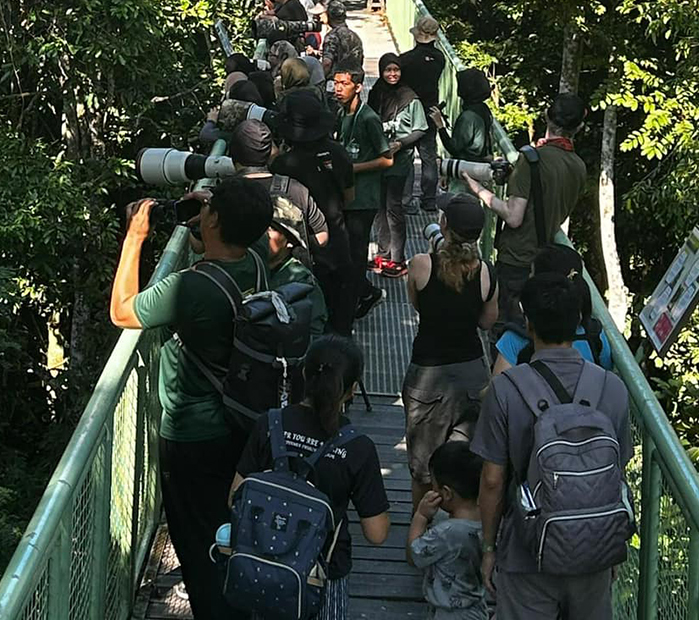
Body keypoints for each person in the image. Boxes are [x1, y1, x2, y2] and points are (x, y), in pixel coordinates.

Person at [109, 178, 274, 620]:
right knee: (230, 529)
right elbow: (231, 242)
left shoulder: (191, 287)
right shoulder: (256, 262)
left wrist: (136, 237)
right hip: (243, 420)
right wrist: (213, 214)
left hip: (193, 433)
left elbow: (122, 310)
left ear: (215, 218)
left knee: (200, 546)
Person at [472, 274, 632, 620]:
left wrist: (488, 548)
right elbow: (617, 473)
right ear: (577, 321)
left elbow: (492, 481)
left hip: (527, 550)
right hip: (594, 550)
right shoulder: (614, 388)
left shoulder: (506, 390)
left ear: (527, 323)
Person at [233, 336, 391, 620]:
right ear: (352, 389)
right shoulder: (357, 446)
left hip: (261, 566)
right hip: (322, 573)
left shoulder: (270, 424)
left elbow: (234, 496)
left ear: (304, 374)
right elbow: (376, 533)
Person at [403, 192, 498, 507]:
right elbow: (487, 322)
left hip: (428, 373)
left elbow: (417, 305)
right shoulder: (486, 272)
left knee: (423, 465)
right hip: (472, 372)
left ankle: (422, 528)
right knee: (467, 459)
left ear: (443, 225)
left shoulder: (420, 265)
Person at [465, 92, 586, 328]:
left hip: (516, 258)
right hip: (544, 260)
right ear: (579, 127)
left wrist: (478, 189)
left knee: (502, 328)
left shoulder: (531, 159)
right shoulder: (579, 167)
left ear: (546, 116)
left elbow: (513, 216)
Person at [272, 92, 357, 335]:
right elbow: (349, 197)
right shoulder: (338, 153)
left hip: (302, 246)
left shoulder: (282, 165)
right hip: (337, 240)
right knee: (339, 317)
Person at [493, 244, 612, 373]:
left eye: (531, 273)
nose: (528, 277)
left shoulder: (516, 338)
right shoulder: (594, 334)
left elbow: (498, 388)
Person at [334, 66, 392, 330]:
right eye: (336, 83)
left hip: (364, 198)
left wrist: (353, 168)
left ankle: (362, 297)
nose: (338, 88)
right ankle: (362, 293)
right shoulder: (341, 113)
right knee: (346, 254)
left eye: (344, 84)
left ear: (358, 87)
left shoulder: (368, 118)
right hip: (347, 196)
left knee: (356, 255)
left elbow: (386, 159)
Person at [407, 441, 489, 620]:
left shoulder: (446, 532)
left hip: (448, 613)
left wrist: (420, 516)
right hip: (476, 609)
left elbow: (414, 555)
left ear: (446, 493)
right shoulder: (489, 524)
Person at [230, 120, 329, 260]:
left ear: (233, 154)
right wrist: (297, 242)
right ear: (270, 151)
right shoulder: (294, 188)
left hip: (241, 277)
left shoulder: (225, 194)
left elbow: (198, 246)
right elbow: (323, 236)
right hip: (288, 275)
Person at [367, 52, 428, 278]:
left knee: (394, 207)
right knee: (379, 207)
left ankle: (398, 258)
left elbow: (421, 128)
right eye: (388, 70)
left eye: (396, 70)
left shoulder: (409, 98)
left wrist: (400, 144)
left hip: (399, 160)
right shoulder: (377, 93)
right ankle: (383, 253)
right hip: (379, 157)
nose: (392, 74)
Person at [399, 15, 447, 212]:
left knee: (407, 154)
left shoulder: (406, 60)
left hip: (410, 110)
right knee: (428, 155)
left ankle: (406, 200)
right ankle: (429, 199)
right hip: (430, 110)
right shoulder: (440, 60)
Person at [266, 210, 330, 338]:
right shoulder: (250, 263)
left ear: (290, 242)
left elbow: (314, 331)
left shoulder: (301, 282)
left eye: (271, 230)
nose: (264, 235)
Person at [445, 69, 494, 162]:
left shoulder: (468, 117)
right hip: (480, 165)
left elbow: (454, 148)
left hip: (468, 168)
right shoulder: (483, 109)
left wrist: (440, 127)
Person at [317, 0, 364, 78]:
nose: (319, 18)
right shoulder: (355, 36)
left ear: (329, 15)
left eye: (321, 14)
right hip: (351, 81)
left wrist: (318, 80)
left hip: (335, 82)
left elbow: (327, 63)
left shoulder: (332, 36)